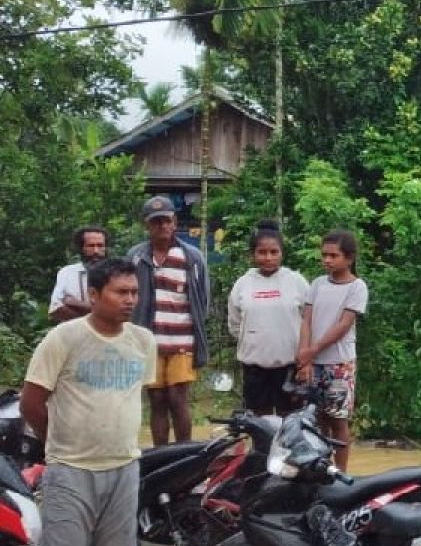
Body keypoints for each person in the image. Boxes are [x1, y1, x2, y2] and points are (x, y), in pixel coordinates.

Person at [19, 258, 156, 546]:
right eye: (120, 292)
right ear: (94, 295)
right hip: (70, 469)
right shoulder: (64, 337)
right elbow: (31, 403)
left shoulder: (143, 341)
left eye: (134, 292)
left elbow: (129, 400)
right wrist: (57, 445)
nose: (130, 299)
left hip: (125, 467)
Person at [128, 195, 211, 446]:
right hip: (149, 341)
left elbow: (203, 298)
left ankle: (184, 454)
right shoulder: (135, 257)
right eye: (156, 222)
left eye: (166, 221)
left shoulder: (191, 257)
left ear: (174, 222)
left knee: (178, 398)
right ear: (147, 225)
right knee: (157, 400)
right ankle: (161, 455)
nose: (162, 226)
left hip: (182, 339)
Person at [296, 229, 368, 471]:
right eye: (324, 255)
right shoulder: (317, 284)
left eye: (333, 255)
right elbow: (306, 320)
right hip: (314, 362)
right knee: (317, 419)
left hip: (340, 363)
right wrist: (304, 356)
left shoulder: (357, 287)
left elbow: (344, 325)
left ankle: (341, 473)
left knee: (338, 419)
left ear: (349, 258)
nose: (327, 260)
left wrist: (312, 349)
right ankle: (321, 469)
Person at [227, 220, 309, 416]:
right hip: (254, 369)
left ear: (282, 253)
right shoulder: (242, 284)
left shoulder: (296, 282)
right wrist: (256, 340)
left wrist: (304, 358)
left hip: (289, 368)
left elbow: (309, 320)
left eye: (274, 252)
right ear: (252, 255)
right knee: (258, 422)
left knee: (290, 422)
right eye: (262, 252)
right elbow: (235, 324)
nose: (268, 257)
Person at [49, 225, 109, 323]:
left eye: (100, 245)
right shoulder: (67, 272)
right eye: (91, 246)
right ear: (81, 248)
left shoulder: (116, 274)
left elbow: (118, 311)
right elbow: (55, 309)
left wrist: (74, 303)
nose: (96, 251)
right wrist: (97, 318)